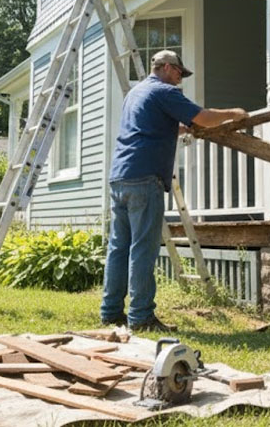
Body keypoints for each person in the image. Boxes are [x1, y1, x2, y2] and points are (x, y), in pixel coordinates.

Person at [101, 49, 249, 330]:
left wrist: (180, 130)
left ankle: (110, 312)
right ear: (167, 67)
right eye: (180, 72)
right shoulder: (165, 92)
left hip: (121, 176)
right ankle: (141, 317)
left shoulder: (136, 93)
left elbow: (151, 126)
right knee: (142, 248)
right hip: (145, 178)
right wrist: (235, 113)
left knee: (119, 247)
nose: (181, 79)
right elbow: (202, 117)